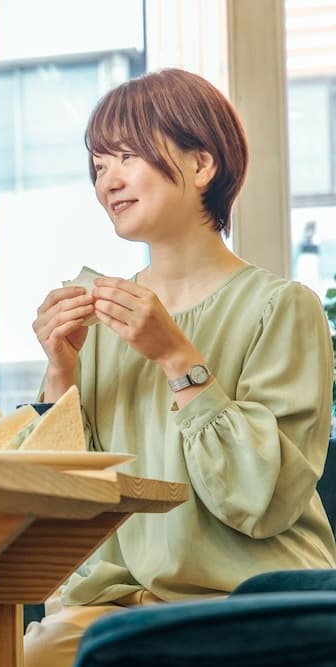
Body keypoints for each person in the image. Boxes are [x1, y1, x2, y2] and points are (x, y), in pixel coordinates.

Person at [26, 67, 336, 666]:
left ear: (201, 165)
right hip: (120, 606)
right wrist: (61, 372)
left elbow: (260, 500)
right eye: (97, 166)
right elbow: (60, 505)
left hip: (256, 601)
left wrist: (176, 356)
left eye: (126, 156)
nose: (108, 180)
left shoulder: (280, 307)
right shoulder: (94, 312)